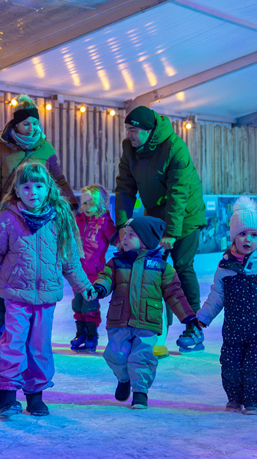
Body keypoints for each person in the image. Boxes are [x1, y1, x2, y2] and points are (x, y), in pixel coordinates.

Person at [0, 161, 95, 417]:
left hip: (46, 297)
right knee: (13, 343)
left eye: (38, 186)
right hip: (16, 295)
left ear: (48, 189)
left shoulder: (59, 219)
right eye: (26, 186)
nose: (32, 192)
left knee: (40, 346)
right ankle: (8, 395)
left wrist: (84, 287)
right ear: (18, 190)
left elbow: (69, 260)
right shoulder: (8, 219)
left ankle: (35, 395)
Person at [0, 95, 77, 350]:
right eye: (27, 124)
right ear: (16, 125)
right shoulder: (0, 149)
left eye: (36, 123)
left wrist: (72, 205)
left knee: (31, 268)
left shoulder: (46, 149)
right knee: (9, 272)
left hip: (41, 218)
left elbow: (58, 180)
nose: (32, 128)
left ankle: (34, 328)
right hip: (8, 218)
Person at [115, 106, 206, 354]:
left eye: (133, 130)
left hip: (185, 217)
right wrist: (123, 226)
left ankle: (193, 327)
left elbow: (179, 193)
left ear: (148, 130)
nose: (129, 134)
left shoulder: (175, 147)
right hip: (155, 217)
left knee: (182, 267)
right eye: (128, 129)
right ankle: (155, 329)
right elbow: (124, 187)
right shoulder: (129, 149)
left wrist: (170, 233)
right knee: (152, 272)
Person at [92, 216, 197, 410]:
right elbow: (105, 278)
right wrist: (99, 288)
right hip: (120, 319)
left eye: (131, 235)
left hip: (147, 321)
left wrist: (188, 316)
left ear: (146, 240)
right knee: (114, 354)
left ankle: (140, 392)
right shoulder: (116, 263)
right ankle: (124, 379)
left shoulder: (162, 268)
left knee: (141, 358)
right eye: (125, 234)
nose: (125, 238)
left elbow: (175, 294)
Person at [196, 197, 257, 415]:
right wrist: (204, 316)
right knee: (231, 366)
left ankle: (256, 402)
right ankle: (234, 398)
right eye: (242, 234)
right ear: (233, 236)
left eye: (254, 235)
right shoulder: (225, 265)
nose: (248, 239)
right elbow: (217, 295)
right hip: (234, 329)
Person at [70, 185, 117, 352]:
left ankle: (92, 334)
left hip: (94, 273)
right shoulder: (78, 220)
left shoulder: (104, 222)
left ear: (101, 204)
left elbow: (116, 240)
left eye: (92, 204)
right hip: (77, 273)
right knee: (77, 304)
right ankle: (80, 332)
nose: (87, 208)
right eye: (85, 203)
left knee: (90, 304)